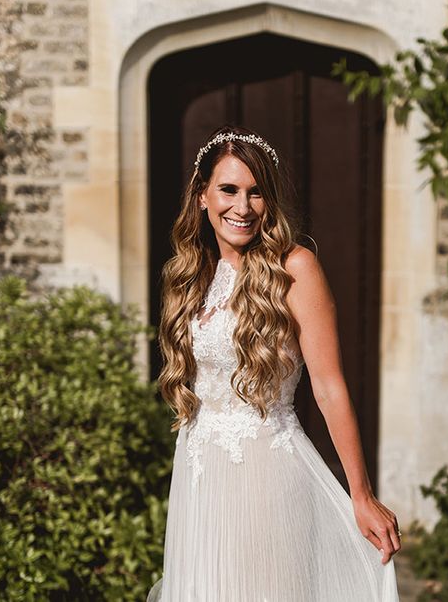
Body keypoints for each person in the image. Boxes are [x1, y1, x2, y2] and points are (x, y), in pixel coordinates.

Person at [147, 125, 401, 601]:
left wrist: (361, 495)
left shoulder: (295, 266)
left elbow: (329, 388)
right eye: (228, 190)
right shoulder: (191, 274)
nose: (241, 208)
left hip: (266, 476)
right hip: (199, 477)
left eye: (256, 193)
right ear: (202, 196)